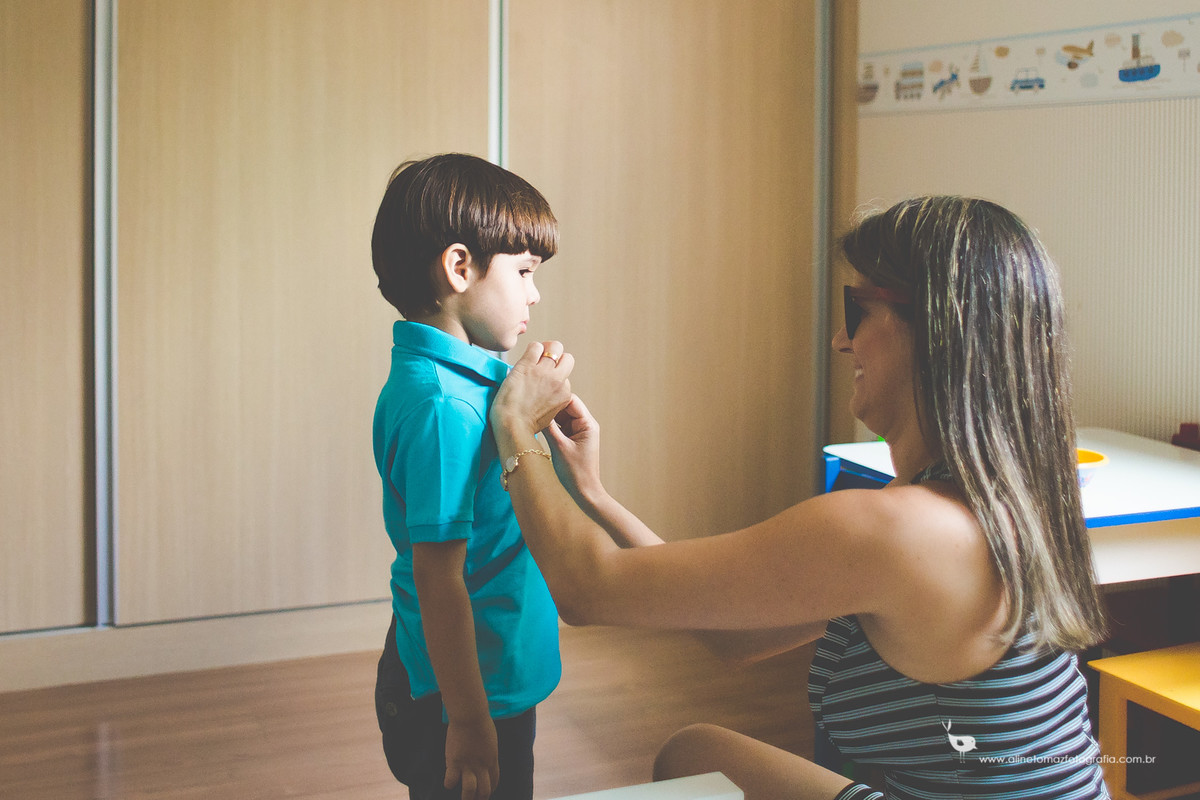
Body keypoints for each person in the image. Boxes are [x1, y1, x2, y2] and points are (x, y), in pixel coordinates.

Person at [487, 196, 1110, 800]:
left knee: (693, 758)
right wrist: (593, 494)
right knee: (695, 754)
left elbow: (586, 589)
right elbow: (734, 637)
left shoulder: (898, 530)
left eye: (858, 310)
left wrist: (515, 424)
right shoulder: (1011, 493)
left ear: (935, 329)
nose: (840, 340)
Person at [370, 153, 562, 800]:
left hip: (476, 673)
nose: (534, 294)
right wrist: (470, 721)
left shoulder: (455, 385)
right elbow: (438, 576)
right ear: (459, 267)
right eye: (524, 271)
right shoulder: (444, 407)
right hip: (466, 693)